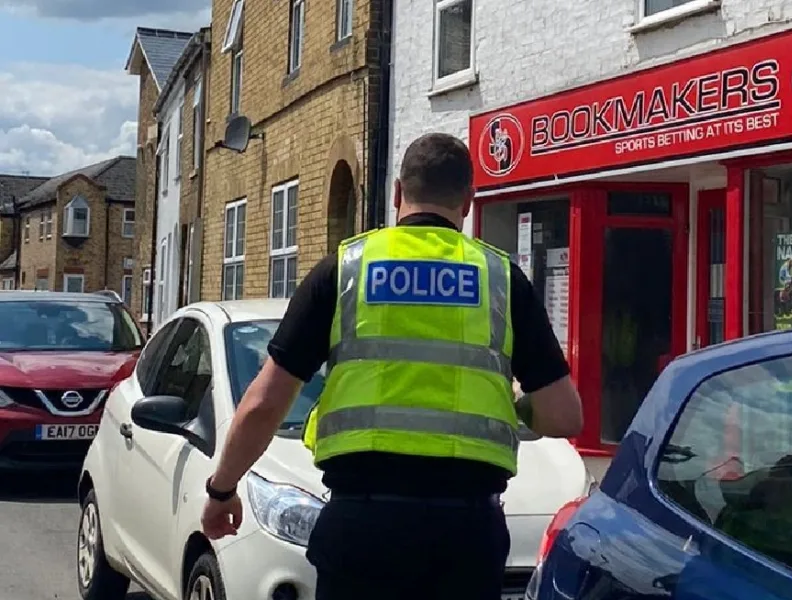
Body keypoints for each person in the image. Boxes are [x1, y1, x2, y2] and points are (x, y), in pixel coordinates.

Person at [199, 132, 584, 599]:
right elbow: (565, 416)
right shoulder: (502, 279)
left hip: (363, 529)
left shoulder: (344, 270)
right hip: (465, 535)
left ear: (398, 194)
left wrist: (222, 490)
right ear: (468, 200)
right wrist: (515, 401)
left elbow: (264, 403)